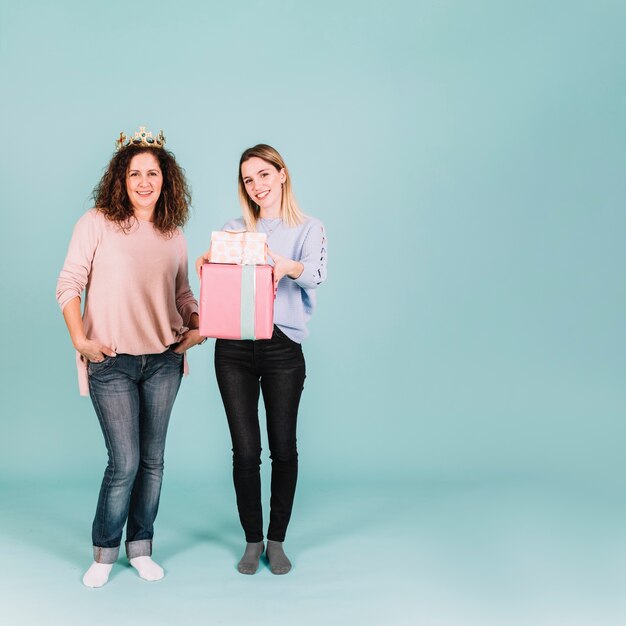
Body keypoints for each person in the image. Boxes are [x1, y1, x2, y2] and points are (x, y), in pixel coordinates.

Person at [56, 127, 204, 588]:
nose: (144, 181)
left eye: (152, 173)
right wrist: (81, 341)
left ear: (166, 179)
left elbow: (182, 294)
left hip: (163, 360)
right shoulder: (95, 223)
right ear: (120, 178)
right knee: (125, 462)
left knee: (154, 460)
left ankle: (140, 547)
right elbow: (68, 285)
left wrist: (197, 323)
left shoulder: (173, 233)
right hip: (112, 360)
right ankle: (104, 552)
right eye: (135, 173)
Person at [196, 144, 327, 574]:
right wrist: (207, 266)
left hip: (283, 347)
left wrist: (283, 264)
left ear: (282, 174)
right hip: (233, 348)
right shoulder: (233, 230)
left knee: (283, 448)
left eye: (264, 175)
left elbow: (316, 275)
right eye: (249, 180)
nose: (257, 186)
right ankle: (253, 541)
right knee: (245, 450)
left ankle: (277, 540)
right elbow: (222, 288)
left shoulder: (309, 228)